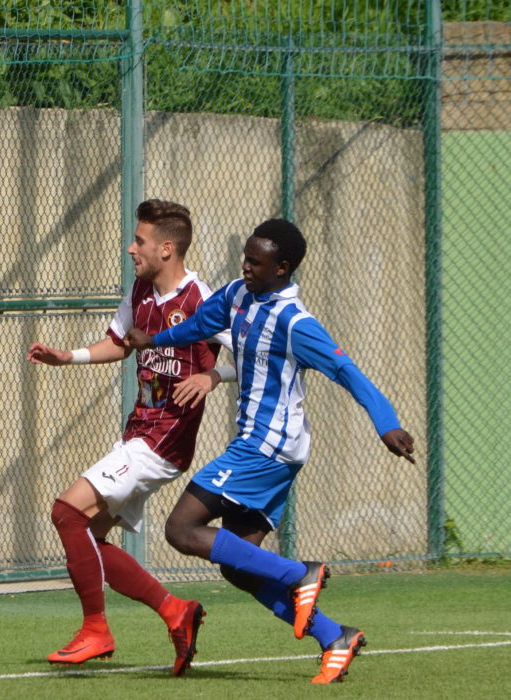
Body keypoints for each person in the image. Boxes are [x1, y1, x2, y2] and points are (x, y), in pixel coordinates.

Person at [123, 218, 416, 684]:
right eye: (245, 256)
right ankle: (334, 637)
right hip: (266, 447)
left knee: (181, 528)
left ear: (282, 268)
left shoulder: (295, 322)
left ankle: (300, 573)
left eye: (257, 262)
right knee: (239, 566)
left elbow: (348, 372)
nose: (246, 266)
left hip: (266, 447)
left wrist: (388, 424)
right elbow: (201, 323)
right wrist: (154, 339)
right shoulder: (239, 294)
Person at [26, 199, 234, 676]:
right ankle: (175, 611)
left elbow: (249, 353)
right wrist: (69, 357)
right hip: (138, 434)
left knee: (65, 511)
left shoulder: (201, 297)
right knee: (90, 538)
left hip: (164, 441)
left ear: (166, 248)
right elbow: (119, 342)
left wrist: (213, 376)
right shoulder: (141, 290)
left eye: (138, 241)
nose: (129, 248)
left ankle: (96, 631)